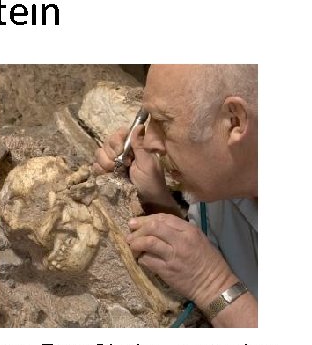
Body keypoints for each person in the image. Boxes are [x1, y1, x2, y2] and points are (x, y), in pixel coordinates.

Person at [94, 65, 257, 327]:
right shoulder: (221, 186)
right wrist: (156, 201)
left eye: (163, 122)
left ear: (234, 121)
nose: (149, 142)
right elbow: (202, 252)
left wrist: (212, 283)